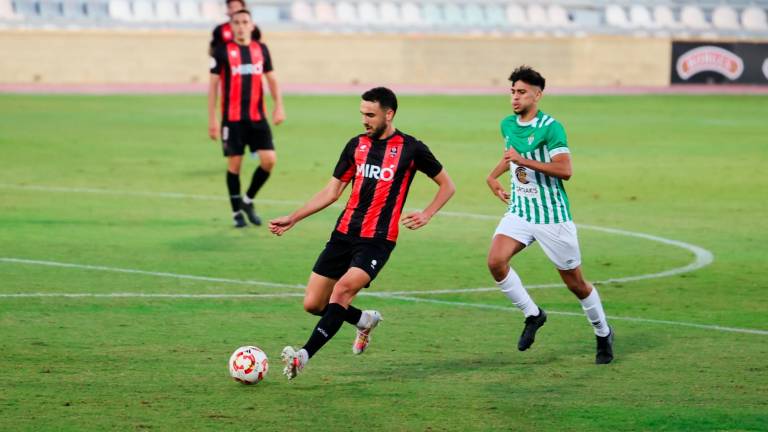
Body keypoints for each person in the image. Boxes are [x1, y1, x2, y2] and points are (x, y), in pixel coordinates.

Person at [269, 87, 456, 380]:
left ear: (389, 114)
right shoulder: (355, 145)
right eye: (362, 114)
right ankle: (364, 320)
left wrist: (427, 213)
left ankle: (303, 356)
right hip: (344, 234)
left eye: (370, 115)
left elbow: (448, 185)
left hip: (378, 240)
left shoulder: (411, 148)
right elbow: (332, 192)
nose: (364, 120)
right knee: (314, 304)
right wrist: (294, 218)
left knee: (342, 291)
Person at [485, 66, 614, 364]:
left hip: (551, 217)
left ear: (538, 95)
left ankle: (603, 332)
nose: (515, 98)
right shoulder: (507, 124)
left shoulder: (551, 127)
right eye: (513, 92)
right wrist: (493, 176)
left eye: (522, 93)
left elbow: (565, 170)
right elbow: (510, 156)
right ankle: (533, 314)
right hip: (520, 210)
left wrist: (524, 160)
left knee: (576, 284)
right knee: (495, 261)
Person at [208, 9, 285, 227]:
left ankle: (248, 200)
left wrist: (279, 106)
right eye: (237, 22)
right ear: (231, 27)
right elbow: (213, 87)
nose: (241, 26)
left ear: (251, 25)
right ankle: (236, 214)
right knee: (235, 165)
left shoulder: (261, 49)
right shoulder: (221, 52)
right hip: (232, 120)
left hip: (257, 118)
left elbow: (272, 79)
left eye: (245, 22)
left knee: (269, 160)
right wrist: (212, 119)